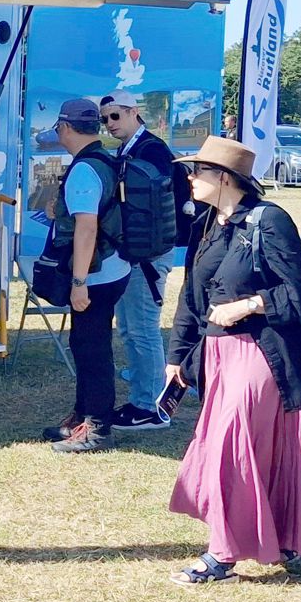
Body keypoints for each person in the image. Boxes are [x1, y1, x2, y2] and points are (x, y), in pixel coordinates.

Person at [164, 136, 301, 584]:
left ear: (225, 178)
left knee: (232, 450)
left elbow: (300, 292)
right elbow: (191, 298)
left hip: (262, 354)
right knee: (233, 447)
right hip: (217, 353)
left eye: (198, 171)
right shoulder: (209, 224)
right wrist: (177, 356)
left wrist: (250, 304)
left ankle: (222, 555)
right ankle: (272, 536)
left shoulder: (269, 221)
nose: (190, 179)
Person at [38, 99, 131, 452]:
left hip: (95, 275)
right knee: (85, 344)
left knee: (92, 349)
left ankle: (97, 428)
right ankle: (81, 418)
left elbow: (87, 229)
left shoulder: (83, 169)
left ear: (65, 128)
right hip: (114, 268)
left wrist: (78, 283)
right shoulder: (105, 160)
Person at [97, 90, 192, 432]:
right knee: (131, 328)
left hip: (148, 254)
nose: (109, 124)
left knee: (141, 328)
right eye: (104, 119)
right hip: (136, 252)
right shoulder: (134, 149)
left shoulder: (151, 150)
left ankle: (150, 406)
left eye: (115, 116)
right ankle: (143, 400)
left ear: (134, 112)